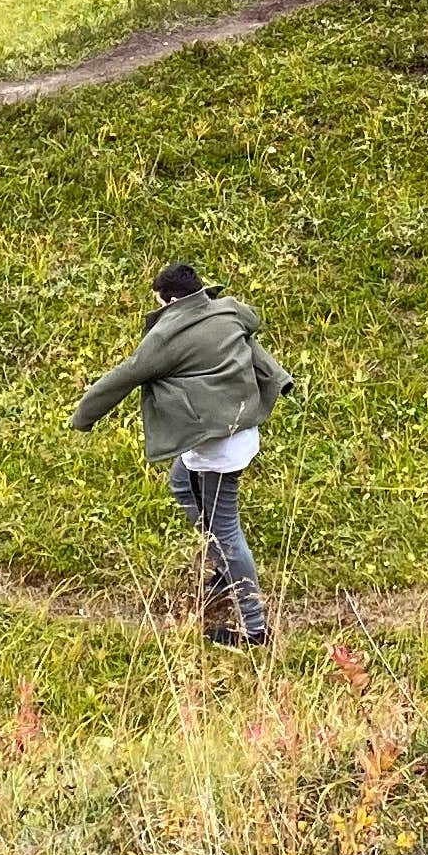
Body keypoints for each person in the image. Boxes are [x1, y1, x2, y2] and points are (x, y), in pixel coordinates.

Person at [71, 261, 294, 645]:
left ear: (170, 300)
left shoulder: (168, 336)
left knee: (227, 533)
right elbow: (251, 329)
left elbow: (126, 374)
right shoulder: (227, 310)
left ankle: (255, 629)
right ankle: (225, 568)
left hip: (216, 445)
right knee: (180, 484)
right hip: (238, 431)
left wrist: (83, 416)